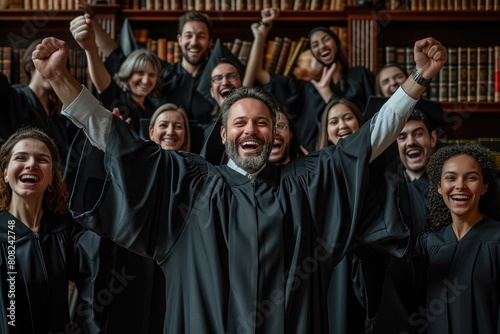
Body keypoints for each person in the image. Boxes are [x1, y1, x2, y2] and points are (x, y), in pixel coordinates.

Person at [32, 35, 447, 333]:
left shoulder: (304, 183)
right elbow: (117, 141)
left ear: (274, 133)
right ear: (225, 134)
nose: (252, 129)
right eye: (241, 122)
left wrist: (418, 78)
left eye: (262, 122)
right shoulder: (187, 182)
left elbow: (368, 142)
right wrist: (60, 80)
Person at [0, 127, 98, 334]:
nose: (31, 164)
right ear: (5, 173)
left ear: (52, 176)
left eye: (42, 159)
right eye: (21, 157)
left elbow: (98, 272)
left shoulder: (66, 231)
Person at [412, 143, 500, 334]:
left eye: (471, 178)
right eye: (451, 178)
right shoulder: (428, 245)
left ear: (484, 187)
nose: (460, 185)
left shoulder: (497, 240)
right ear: (439, 188)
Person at [244, 8, 337, 152]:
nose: (320, 49)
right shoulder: (296, 87)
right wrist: (261, 33)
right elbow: (256, 73)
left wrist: (325, 91)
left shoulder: (346, 83)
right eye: (314, 47)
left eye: (326, 40)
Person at [70, 14, 163, 137]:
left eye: (151, 74)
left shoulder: (154, 108)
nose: (146, 80)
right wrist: (90, 48)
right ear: (128, 74)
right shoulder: (119, 98)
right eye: (139, 73)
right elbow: (102, 84)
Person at [0, 39, 76, 163]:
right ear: (30, 67)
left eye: (58, 66)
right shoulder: (14, 100)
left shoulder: (61, 117)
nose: (52, 69)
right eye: (47, 61)